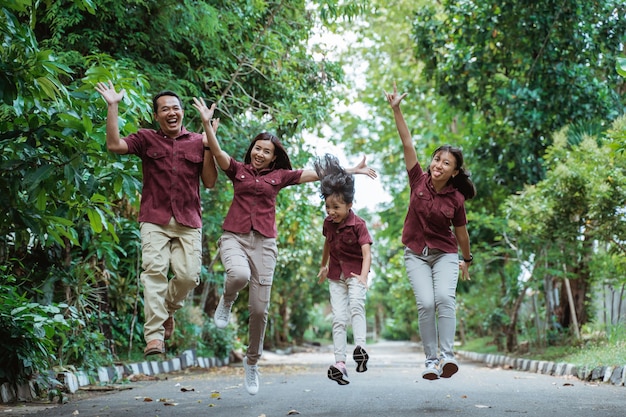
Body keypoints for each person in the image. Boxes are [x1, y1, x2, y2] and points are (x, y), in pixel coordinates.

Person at [191, 97, 376, 395]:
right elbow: (218, 152)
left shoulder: (280, 177)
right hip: (234, 237)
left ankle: (252, 363)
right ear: (251, 149)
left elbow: (319, 173)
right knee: (237, 275)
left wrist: (350, 170)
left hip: (265, 244)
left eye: (267, 151)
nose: (260, 154)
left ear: (274, 157)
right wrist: (205, 125)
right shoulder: (236, 169)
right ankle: (226, 300)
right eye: (258, 148)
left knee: (259, 310)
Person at [95, 81, 218, 357]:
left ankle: (168, 310)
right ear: (156, 115)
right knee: (154, 273)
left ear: (183, 112)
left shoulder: (199, 141)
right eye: (165, 109)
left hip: (189, 220)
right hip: (154, 219)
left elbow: (209, 181)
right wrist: (112, 106)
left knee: (188, 276)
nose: (171, 112)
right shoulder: (146, 139)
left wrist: (210, 144)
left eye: (175, 108)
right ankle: (154, 338)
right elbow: (114, 145)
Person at [384, 82, 475, 380]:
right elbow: (407, 143)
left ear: (454, 172)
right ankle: (430, 360)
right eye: (437, 159)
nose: (438, 164)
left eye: (446, 163)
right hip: (415, 254)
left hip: (445, 254)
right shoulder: (417, 179)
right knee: (425, 303)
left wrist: (467, 259)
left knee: (444, 299)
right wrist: (397, 109)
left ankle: (448, 358)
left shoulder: (456, 199)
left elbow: (461, 234)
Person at [314, 154, 373, 386]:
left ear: (349, 205)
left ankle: (360, 348)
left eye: (336, 207)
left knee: (356, 305)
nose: (331, 211)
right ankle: (340, 363)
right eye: (328, 206)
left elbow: (367, 253)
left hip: (356, 273)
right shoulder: (328, 223)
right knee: (338, 318)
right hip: (335, 275)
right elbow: (327, 243)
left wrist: (364, 277)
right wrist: (323, 265)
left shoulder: (359, 225)